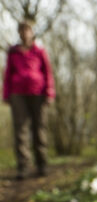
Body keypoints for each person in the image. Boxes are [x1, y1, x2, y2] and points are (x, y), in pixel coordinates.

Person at [2, 19, 55, 179]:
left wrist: (49, 92)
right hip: (18, 94)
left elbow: (48, 72)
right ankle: (23, 167)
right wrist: (6, 95)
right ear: (19, 32)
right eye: (22, 30)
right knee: (21, 130)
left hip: (38, 93)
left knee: (39, 129)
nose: (25, 33)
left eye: (28, 30)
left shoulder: (39, 51)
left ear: (32, 32)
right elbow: (7, 75)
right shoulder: (13, 52)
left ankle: (42, 164)